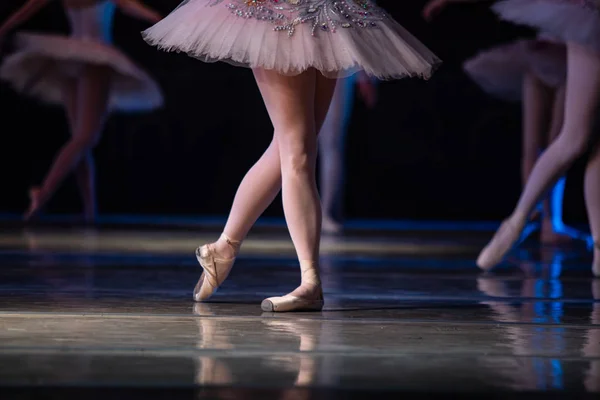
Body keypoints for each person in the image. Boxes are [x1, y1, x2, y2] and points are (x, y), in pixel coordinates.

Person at [143, 0, 440, 311]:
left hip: (326, 15)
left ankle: (223, 249)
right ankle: (310, 279)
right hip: (278, 15)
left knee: (291, 148)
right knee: (297, 150)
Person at [424, 0, 600, 276]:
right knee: (571, 138)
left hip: (572, 29)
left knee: (581, 141)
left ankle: (593, 245)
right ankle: (518, 221)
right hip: (587, 22)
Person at [0, 0, 163, 223]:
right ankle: (44, 192)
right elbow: (130, 6)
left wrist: (4, 28)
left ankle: (89, 211)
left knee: (79, 140)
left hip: (68, 58)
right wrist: (161, 21)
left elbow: (24, 11)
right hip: (94, 58)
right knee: (86, 137)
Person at [319, 71, 377, 235]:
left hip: (335, 66)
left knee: (331, 143)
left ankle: (328, 212)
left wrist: (364, 74)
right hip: (308, 60)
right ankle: (320, 213)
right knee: (299, 143)